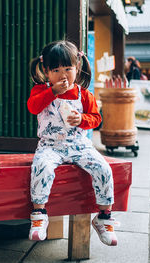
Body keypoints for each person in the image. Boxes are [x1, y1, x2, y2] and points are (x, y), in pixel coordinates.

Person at [27, 40, 119, 246]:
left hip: (79, 145)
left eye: (68, 68)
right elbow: (33, 108)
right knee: (41, 167)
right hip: (49, 146)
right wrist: (53, 92)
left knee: (103, 168)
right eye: (56, 69)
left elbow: (96, 118)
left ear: (77, 68)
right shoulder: (40, 91)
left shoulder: (84, 94)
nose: (63, 74)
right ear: (46, 71)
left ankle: (104, 216)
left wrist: (82, 119)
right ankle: (39, 215)